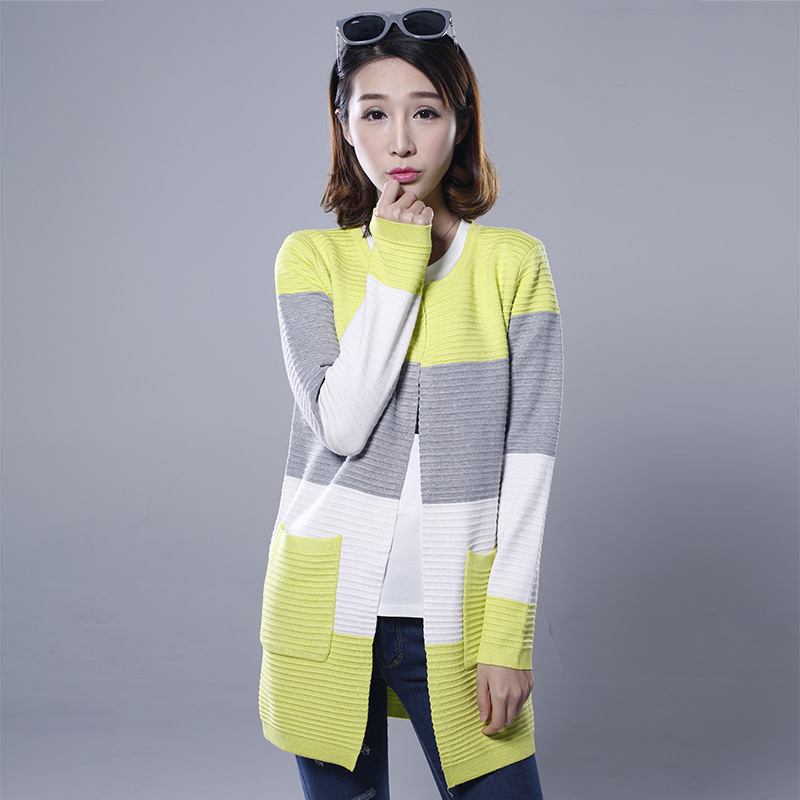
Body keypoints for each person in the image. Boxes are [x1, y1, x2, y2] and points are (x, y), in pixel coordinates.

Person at [258, 9, 563, 799]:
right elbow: (342, 425)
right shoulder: (310, 260)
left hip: (459, 623)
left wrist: (509, 636)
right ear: (344, 127)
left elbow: (529, 465)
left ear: (460, 123)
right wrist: (395, 258)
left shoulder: (512, 265)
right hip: (324, 610)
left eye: (425, 112)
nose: (399, 142)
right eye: (374, 114)